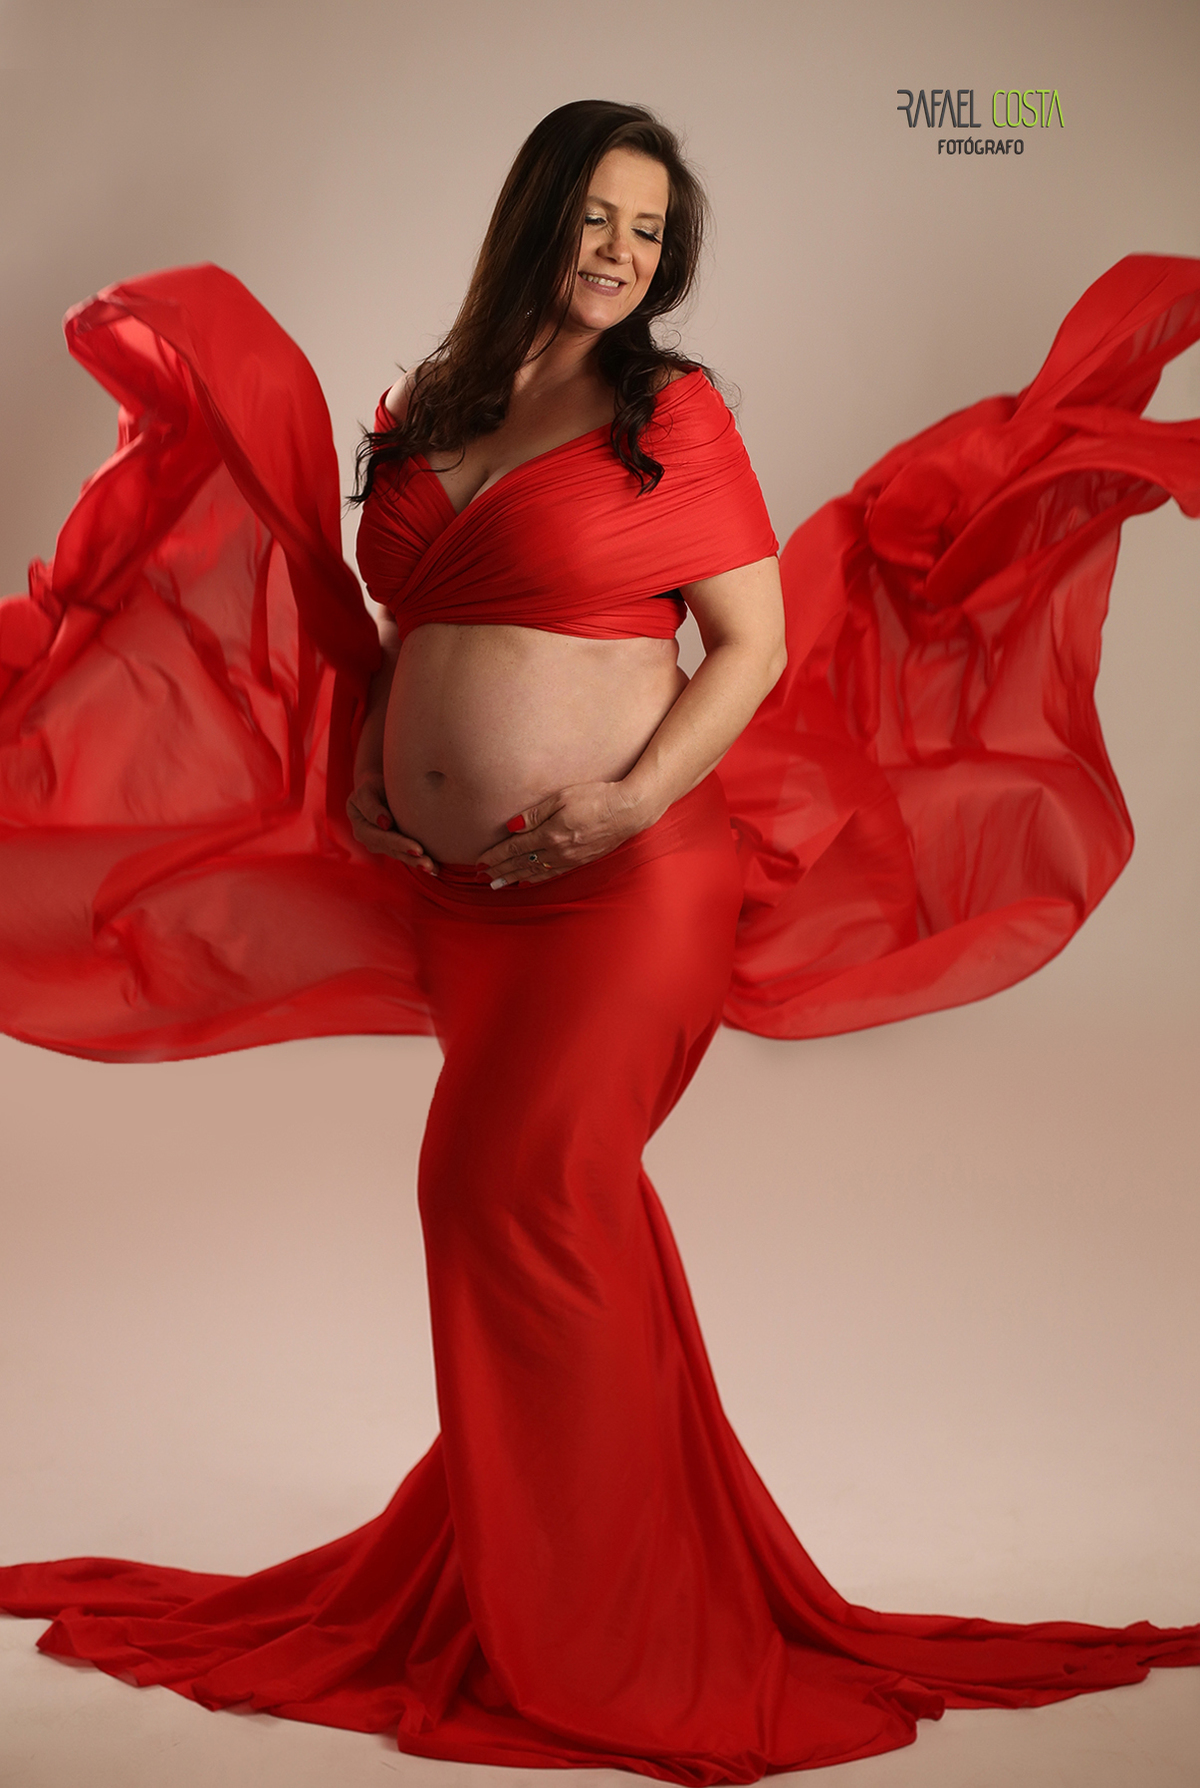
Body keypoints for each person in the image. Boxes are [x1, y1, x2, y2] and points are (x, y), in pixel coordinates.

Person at [1, 100, 1199, 1786]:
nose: (624, 252)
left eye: (650, 231)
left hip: (630, 883)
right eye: (600, 218)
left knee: (515, 1190)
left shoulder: (669, 415)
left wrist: (631, 799)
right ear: (538, 216)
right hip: (468, 903)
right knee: (555, 1215)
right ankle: (556, 1570)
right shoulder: (431, 403)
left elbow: (749, 645)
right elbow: (414, 622)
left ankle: (616, 1631)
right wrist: (372, 761)